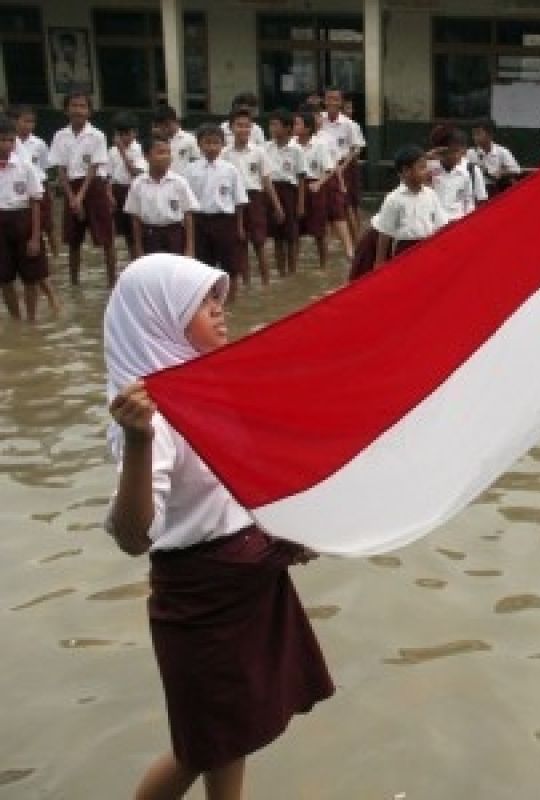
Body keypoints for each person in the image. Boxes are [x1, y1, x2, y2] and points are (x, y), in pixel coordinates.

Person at [104, 254, 334, 800]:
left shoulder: (209, 390)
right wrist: (137, 441)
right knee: (200, 747)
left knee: (230, 739)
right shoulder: (147, 413)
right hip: (201, 597)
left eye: (219, 301)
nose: (220, 312)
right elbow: (135, 537)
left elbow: (236, 487)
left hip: (247, 575)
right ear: (158, 315)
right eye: (203, 303)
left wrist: (286, 533)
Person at [48, 90, 118, 287]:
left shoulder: (97, 136)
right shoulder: (60, 136)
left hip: (93, 187)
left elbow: (94, 167)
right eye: (74, 105)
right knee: (73, 240)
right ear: (66, 109)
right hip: (71, 186)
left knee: (106, 238)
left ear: (89, 111)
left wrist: (80, 196)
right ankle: (74, 283)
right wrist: (71, 197)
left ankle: (112, 282)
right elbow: (60, 170)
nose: (78, 110)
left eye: (82, 106)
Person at [348, 145, 447, 282]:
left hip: (424, 248)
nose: (427, 171)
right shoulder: (394, 199)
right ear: (406, 171)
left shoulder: (431, 195)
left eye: (426, 167)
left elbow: (440, 226)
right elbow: (385, 234)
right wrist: (379, 263)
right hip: (403, 249)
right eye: (421, 167)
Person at [184, 123, 248, 303]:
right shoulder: (191, 170)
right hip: (200, 221)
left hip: (225, 221)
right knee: (203, 266)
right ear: (199, 145)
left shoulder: (230, 170)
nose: (212, 147)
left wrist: (240, 227)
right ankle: (207, 302)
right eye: (207, 143)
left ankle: (231, 303)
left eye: (216, 143)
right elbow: (187, 201)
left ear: (222, 145)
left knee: (230, 265)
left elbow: (239, 201)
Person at [222, 109, 284, 287]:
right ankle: (247, 285)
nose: (243, 130)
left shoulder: (259, 152)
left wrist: (277, 206)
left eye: (247, 126)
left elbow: (266, 181)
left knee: (260, 243)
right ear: (231, 128)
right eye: (239, 126)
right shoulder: (225, 154)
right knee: (240, 245)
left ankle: (266, 285)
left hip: (255, 199)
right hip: (233, 202)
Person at [0, 115, 48, 321]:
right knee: (4, 279)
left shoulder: (25, 165)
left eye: (10, 140)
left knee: (31, 277)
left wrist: (36, 237)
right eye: (2, 139)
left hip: (23, 221)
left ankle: (31, 319)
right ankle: (16, 319)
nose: (6, 144)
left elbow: (36, 202)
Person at [124, 136, 197, 258]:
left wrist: (190, 248)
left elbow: (188, 215)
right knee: (152, 274)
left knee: (175, 273)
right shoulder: (138, 184)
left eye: (168, 153)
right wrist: (138, 247)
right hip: (150, 235)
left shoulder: (179, 182)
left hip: (175, 234)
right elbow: (135, 218)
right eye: (161, 153)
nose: (166, 157)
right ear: (147, 156)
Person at [263, 109, 304, 277]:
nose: (272, 128)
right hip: (272, 191)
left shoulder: (296, 150)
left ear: (287, 128)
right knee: (277, 236)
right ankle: (281, 272)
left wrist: (301, 204)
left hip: (290, 192)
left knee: (292, 235)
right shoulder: (266, 147)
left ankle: (293, 271)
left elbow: (301, 177)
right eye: (270, 124)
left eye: (276, 125)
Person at [11, 105, 56, 258]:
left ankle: (55, 254)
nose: (29, 125)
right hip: (19, 188)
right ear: (14, 122)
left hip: (39, 187)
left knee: (48, 225)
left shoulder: (39, 143)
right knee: (27, 223)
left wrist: (48, 192)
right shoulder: (8, 143)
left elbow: (45, 169)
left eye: (32, 122)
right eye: (25, 121)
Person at [319, 88, 365, 241]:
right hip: (324, 167)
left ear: (340, 102)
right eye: (329, 98)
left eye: (335, 99)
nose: (332, 102)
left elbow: (355, 148)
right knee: (328, 205)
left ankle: (357, 240)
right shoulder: (319, 120)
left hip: (345, 166)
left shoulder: (349, 124)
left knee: (348, 205)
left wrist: (342, 167)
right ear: (324, 101)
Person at [294, 110, 336, 271]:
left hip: (314, 189)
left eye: (298, 123)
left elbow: (329, 169)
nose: (294, 126)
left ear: (308, 128)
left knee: (319, 232)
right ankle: (294, 267)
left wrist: (319, 183)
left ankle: (324, 266)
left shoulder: (320, 145)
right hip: (297, 188)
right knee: (295, 232)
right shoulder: (291, 144)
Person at [109, 112, 147, 261]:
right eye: (120, 133)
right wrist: (109, 194)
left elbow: (135, 173)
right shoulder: (111, 151)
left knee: (135, 234)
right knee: (120, 234)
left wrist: (122, 152)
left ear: (135, 132)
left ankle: (138, 262)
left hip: (134, 191)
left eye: (127, 133)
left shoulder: (140, 149)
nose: (124, 137)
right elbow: (108, 176)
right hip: (116, 191)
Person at [429, 128, 482, 222]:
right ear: (440, 152)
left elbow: (470, 200)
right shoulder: (429, 168)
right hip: (434, 224)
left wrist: (468, 221)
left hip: (457, 223)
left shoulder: (468, 171)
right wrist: (428, 156)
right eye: (451, 151)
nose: (456, 156)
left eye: (457, 151)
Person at [468, 118, 520, 198]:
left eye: (478, 133)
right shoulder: (470, 153)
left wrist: (501, 173)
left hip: (496, 190)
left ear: (490, 135)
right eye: (473, 134)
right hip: (476, 190)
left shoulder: (502, 151)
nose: (475, 137)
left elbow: (516, 170)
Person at [152, 106, 201, 176]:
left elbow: (197, 161)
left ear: (176, 121)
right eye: (161, 126)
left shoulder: (189, 139)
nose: (165, 128)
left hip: (184, 180)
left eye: (167, 124)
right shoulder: (158, 142)